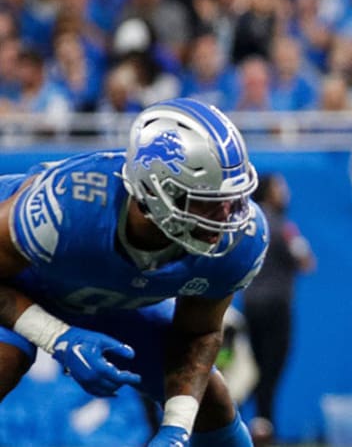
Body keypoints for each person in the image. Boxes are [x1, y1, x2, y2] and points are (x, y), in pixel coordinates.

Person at [0, 97, 267, 447]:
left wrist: (176, 429)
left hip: (108, 297)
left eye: (231, 201)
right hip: (23, 282)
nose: (225, 220)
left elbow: (198, 333)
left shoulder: (240, 241)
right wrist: (56, 336)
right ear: (154, 193)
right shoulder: (69, 207)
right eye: (208, 202)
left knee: (211, 404)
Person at [243, 173, 316, 444]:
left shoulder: (246, 223)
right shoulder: (282, 226)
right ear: (270, 191)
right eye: (280, 187)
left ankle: (258, 423)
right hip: (275, 306)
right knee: (271, 367)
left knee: (255, 367)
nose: (285, 192)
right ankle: (263, 425)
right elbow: (306, 262)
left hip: (250, 304)